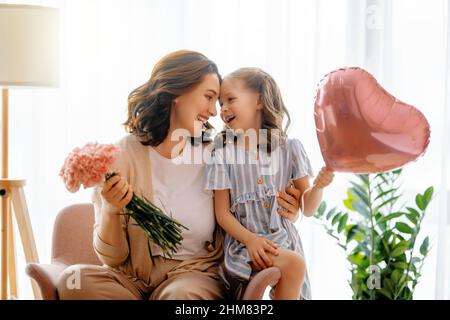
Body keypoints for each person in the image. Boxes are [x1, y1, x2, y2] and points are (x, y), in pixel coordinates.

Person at [56, 51, 301, 300]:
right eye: (208, 97)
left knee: (180, 297)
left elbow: (253, 198)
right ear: (177, 92)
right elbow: (112, 258)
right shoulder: (124, 155)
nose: (213, 112)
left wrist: (290, 209)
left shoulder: (218, 153)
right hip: (131, 280)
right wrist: (110, 208)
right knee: (73, 281)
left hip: (193, 276)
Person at [205, 67, 334, 300]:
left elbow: (309, 208)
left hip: (285, 242)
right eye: (221, 102)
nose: (222, 109)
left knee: (294, 267)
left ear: (259, 101)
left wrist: (319, 187)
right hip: (245, 247)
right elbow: (222, 213)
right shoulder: (222, 154)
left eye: (230, 99)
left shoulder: (290, 149)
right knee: (293, 264)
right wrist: (250, 240)